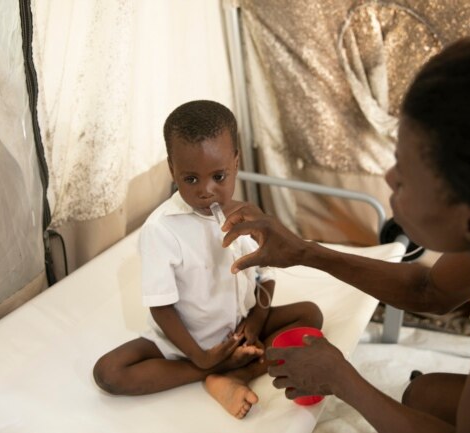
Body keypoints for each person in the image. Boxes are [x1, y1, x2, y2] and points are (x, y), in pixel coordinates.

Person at [221, 38, 470, 432]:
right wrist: (305, 252)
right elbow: (430, 291)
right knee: (424, 395)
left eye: (405, 174)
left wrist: (343, 381)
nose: (389, 178)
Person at [92, 100, 323, 419]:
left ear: (236, 163)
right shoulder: (162, 230)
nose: (206, 191)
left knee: (310, 314)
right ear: (173, 170)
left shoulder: (248, 218)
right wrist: (199, 356)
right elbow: (160, 306)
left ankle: (234, 373)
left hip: (240, 329)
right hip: (185, 344)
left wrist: (255, 322)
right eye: (191, 179)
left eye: (218, 176)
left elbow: (265, 277)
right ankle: (214, 370)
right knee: (109, 373)